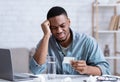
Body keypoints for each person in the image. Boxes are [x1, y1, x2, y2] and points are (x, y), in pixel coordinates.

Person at [29, 6, 111, 75]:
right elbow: (35, 70)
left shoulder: (87, 42)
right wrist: (46, 35)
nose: (59, 31)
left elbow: (106, 70)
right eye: (54, 28)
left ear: (69, 22)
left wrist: (87, 69)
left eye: (62, 25)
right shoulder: (46, 43)